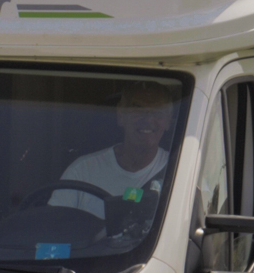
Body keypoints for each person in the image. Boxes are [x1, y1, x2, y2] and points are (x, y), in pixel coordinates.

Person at [51, 83, 180, 218]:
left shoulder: (178, 171)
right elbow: (54, 230)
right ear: (121, 116)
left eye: (157, 112)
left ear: (168, 121)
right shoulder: (82, 171)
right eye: (138, 110)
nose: (148, 119)